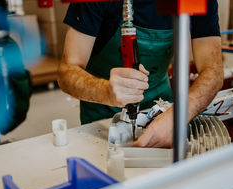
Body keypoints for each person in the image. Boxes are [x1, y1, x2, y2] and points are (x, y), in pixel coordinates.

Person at [58, 0, 223, 148]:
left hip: (162, 105)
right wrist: (105, 90)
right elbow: (66, 72)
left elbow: (213, 70)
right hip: (102, 114)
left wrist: (179, 116)